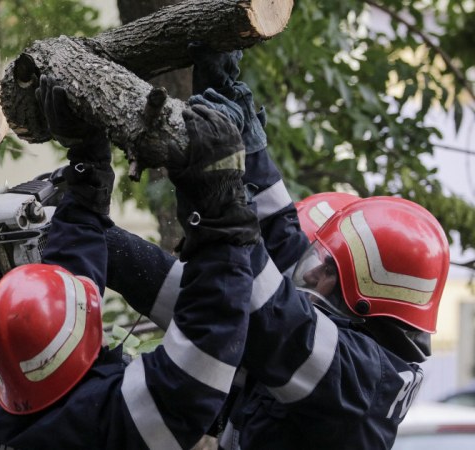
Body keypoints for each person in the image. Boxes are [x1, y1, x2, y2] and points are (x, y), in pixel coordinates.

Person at [102, 49, 450, 449]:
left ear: (367, 305)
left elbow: (265, 313)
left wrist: (220, 196)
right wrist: (248, 144)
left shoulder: (360, 377)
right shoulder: (352, 334)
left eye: (328, 270)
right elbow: (278, 244)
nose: (313, 271)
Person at [0, 75, 261, 449]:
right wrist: (222, 216)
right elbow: (206, 344)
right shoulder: (112, 423)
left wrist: (86, 171)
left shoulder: (14, 416)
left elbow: (67, 285)